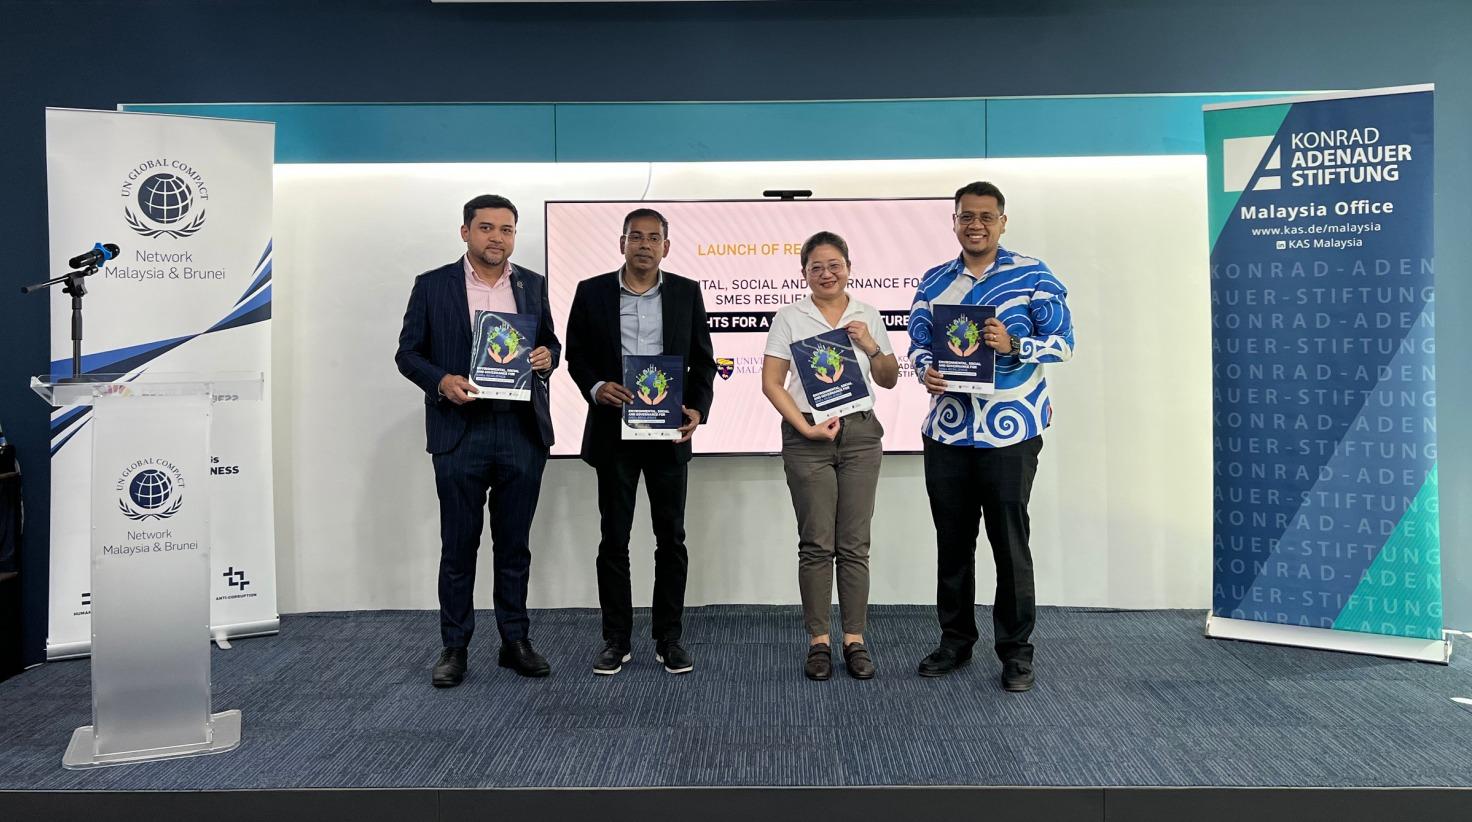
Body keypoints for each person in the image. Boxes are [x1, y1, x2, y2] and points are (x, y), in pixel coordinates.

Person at [907, 181, 1075, 693]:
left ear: (1003, 221)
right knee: (952, 544)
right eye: (965, 216)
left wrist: (1016, 341)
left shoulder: (1033, 276)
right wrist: (926, 370)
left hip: (1011, 432)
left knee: (1009, 545)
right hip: (949, 434)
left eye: (986, 216)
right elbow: (917, 344)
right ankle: (955, 641)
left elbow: (1064, 344)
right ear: (953, 221)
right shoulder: (935, 282)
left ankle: (1016, 652)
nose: (975, 224)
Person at [395, 194, 561, 688]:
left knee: (514, 545)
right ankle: (455, 647)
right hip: (460, 430)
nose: (497, 238)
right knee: (458, 546)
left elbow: (551, 342)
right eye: (486, 228)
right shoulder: (433, 286)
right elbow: (408, 354)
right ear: (465, 231)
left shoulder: (531, 285)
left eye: (507, 230)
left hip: (519, 430)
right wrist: (441, 380)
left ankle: (515, 640)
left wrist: (547, 357)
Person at [565, 208, 717, 676]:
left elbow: (704, 362)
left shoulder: (686, 293)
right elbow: (576, 355)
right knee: (614, 539)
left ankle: (669, 638)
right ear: (622, 243)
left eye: (654, 238)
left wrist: (695, 408)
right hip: (614, 434)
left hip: (668, 435)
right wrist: (596, 388)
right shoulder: (591, 292)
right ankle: (616, 640)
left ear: (666, 247)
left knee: (670, 539)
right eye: (636, 237)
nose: (645, 245)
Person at [761, 231, 899, 681]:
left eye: (834, 264)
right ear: (804, 273)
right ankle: (818, 642)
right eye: (816, 267)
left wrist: (871, 346)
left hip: (859, 436)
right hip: (808, 437)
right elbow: (771, 383)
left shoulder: (868, 315)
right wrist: (804, 427)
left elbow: (890, 379)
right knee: (817, 545)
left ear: (848, 267)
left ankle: (854, 640)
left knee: (854, 546)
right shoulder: (789, 317)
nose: (826, 273)